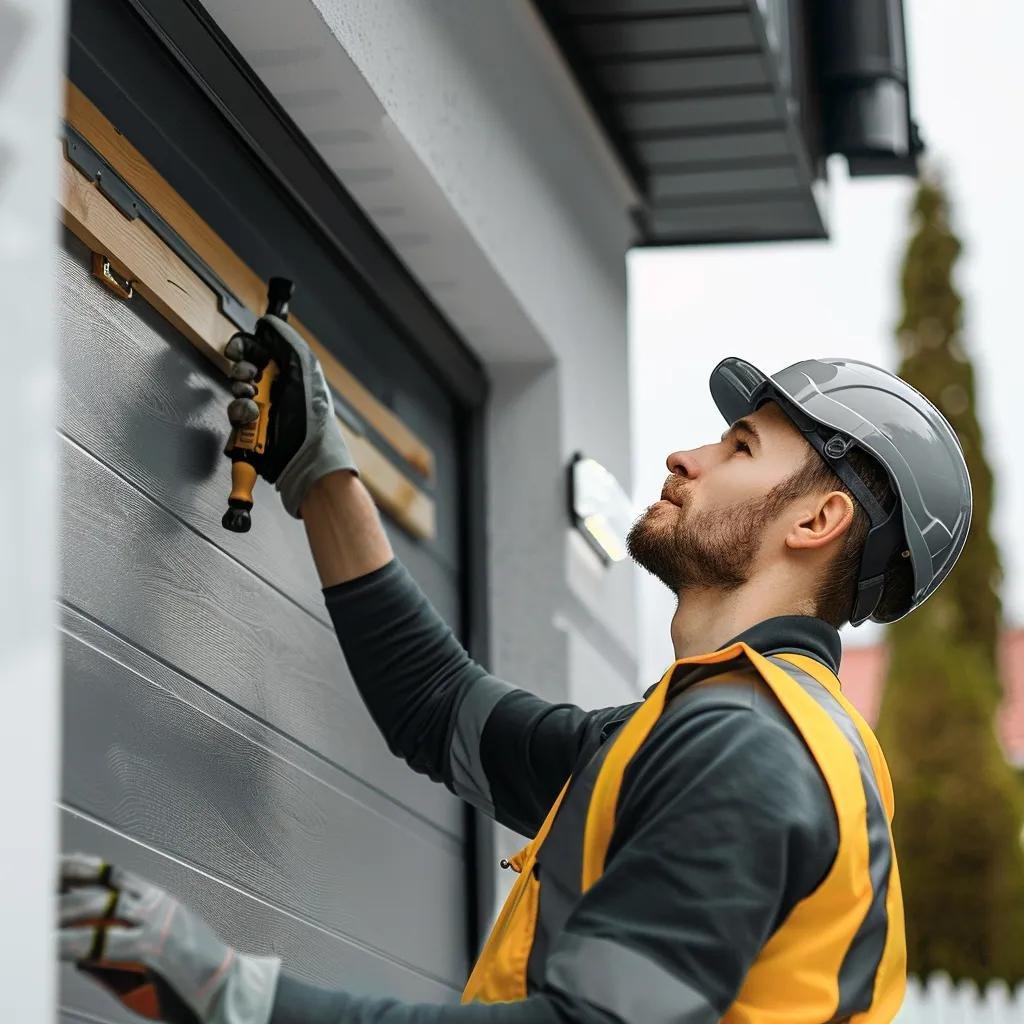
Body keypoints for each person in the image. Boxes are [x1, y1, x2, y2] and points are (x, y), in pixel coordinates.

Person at [57, 315, 972, 1024]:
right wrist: (321, 474)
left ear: (816, 521)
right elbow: (438, 708)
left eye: (739, 448)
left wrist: (231, 995)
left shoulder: (748, 752)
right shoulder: (705, 730)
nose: (685, 456)